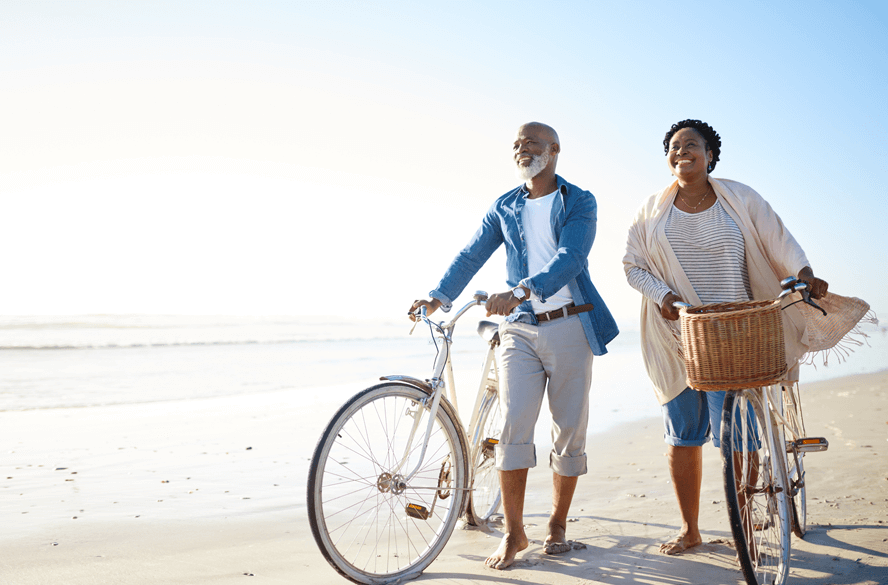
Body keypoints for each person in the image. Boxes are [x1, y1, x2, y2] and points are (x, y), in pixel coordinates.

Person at [409, 122, 618, 570]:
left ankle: (558, 525)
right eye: (517, 144)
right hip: (519, 329)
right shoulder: (504, 205)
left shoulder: (579, 201)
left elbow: (572, 257)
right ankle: (514, 533)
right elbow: (471, 254)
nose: (522, 148)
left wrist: (523, 289)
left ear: (554, 150)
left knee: (567, 431)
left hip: (569, 325)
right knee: (512, 430)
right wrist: (439, 296)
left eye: (532, 142)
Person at [622, 119, 828, 555]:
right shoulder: (650, 211)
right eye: (673, 147)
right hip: (675, 333)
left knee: (737, 436)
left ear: (710, 154)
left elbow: (778, 240)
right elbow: (632, 265)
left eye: (691, 145)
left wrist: (804, 273)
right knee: (683, 434)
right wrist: (664, 296)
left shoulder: (740, 197)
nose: (681, 152)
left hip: (736, 330)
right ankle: (690, 529)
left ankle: (746, 526)